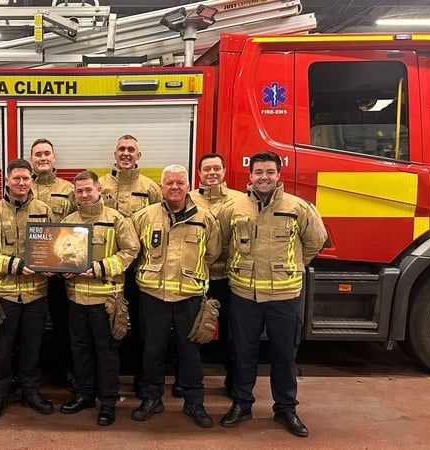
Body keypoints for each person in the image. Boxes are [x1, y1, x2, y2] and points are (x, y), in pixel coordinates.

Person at [217, 151, 327, 437]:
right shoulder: (233, 207)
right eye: (258, 172)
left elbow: (315, 241)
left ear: (279, 175)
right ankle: (241, 404)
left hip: (284, 296)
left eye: (269, 172)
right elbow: (223, 243)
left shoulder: (298, 207)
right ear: (250, 175)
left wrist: (290, 268)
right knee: (243, 354)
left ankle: (286, 408)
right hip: (244, 294)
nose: (263, 177)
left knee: (284, 356)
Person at [130, 164, 220, 426]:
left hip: (189, 296)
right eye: (169, 183)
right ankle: (151, 399)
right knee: (152, 350)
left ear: (188, 186)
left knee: (190, 353)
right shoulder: (144, 216)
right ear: (161, 187)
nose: (174, 187)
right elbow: (134, 252)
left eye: (180, 182)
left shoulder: (205, 218)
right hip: (153, 295)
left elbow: (212, 253)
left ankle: (194, 403)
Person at [0, 158, 54, 421]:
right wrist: (15, 265)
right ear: (7, 180)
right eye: (16, 178)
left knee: (33, 347)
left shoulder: (44, 209)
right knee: (1, 348)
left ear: (32, 180)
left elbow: (55, 245)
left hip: (36, 293)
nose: (21, 183)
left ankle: (31, 392)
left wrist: (54, 263)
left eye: (26, 178)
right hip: (4, 293)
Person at [58, 171, 139, 426]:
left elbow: (131, 251)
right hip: (76, 299)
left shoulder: (117, 220)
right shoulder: (68, 221)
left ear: (99, 189)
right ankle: (84, 395)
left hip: (106, 301)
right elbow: (60, 253)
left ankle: (108, 401)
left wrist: (99, 268)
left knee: (106, 353)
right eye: (79, 191)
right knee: (79, 349)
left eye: (88, 190)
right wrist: (62, 270)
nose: (84, 195)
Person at [99, 134, 163, 395]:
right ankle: (106, 380)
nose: (126, 153)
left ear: (139, 155)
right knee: (106, 326)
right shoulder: (99, 185)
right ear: (114, 154)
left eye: (131, 149)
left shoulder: (151, 188)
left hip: (139, 269)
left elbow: (161, 225)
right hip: (106, 271)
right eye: (121, 149)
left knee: (140, 326)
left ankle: (141, 379)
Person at [182, 153, 244, 396]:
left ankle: (233, 381)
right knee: (193, 330)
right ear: (199, 173)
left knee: (232, 333)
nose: (212, 173)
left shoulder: (240, 200)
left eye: (216, 168)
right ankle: (188, 380)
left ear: (224, 171)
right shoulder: (188, 199)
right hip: (197, 277)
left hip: (228, 277)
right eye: (206, 169)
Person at [28, 138, 77, 388]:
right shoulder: (23, 186)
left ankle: (66, 371)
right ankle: (28, 374)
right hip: (29, 270)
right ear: (31, 159)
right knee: (29, 326)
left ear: (54, 158)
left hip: (60, 271)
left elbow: (79, 226)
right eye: (38, 154)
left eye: (47, 153)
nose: (43, 158)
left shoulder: (69, 189)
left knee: (63, 323)